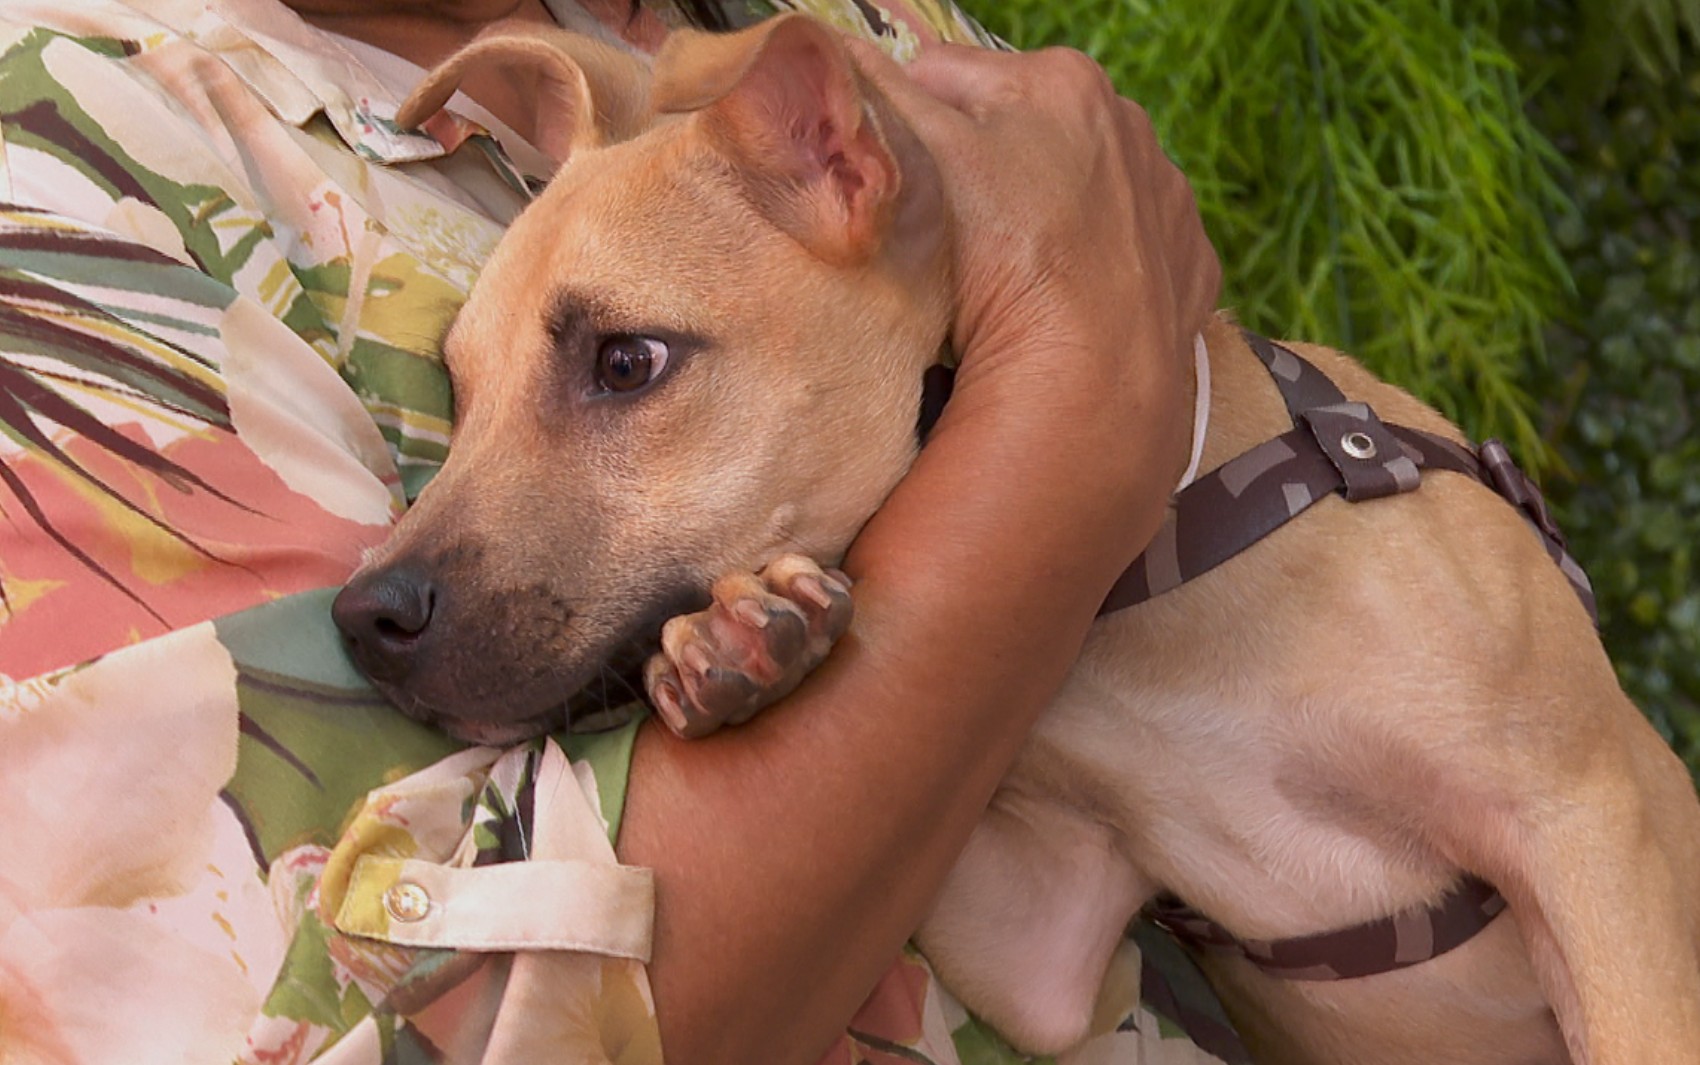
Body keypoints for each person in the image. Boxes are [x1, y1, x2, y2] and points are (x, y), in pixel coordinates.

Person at [0, 1, 1222, 1062]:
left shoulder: (816, 36)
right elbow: (396, 1026)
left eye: (623, 364)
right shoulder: (58, 153)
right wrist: (1076, 401)